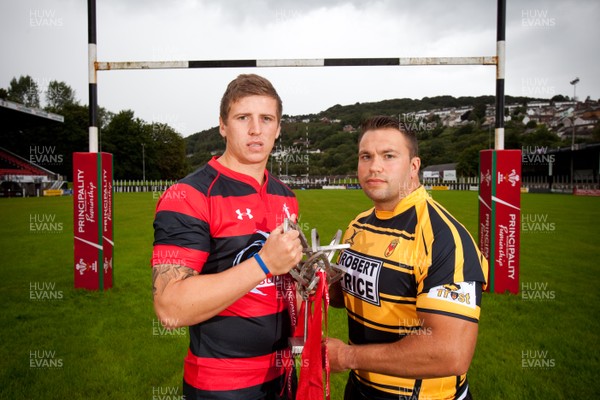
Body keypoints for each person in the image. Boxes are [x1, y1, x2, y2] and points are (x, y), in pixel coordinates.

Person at [151, 74, 304, 400]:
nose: (255, 129)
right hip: (221, 386)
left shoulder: (286, 196)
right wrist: (263, 262)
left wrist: (306, 281)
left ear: (278, 129)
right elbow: (169, 307)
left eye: (266, 119)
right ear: (222, 125)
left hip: (285, 376)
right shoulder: (188, 195)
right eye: (242, 118)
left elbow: (280, 285)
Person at [327, 115, 488, 400]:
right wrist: (317, 279)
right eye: (366, 156)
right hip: (359, 390)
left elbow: (450, 353)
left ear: (414, 166)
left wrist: (347, 356)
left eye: (388, 156)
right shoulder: (358, 226)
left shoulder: (445, 238)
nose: (374, 166)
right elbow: (344, 296)